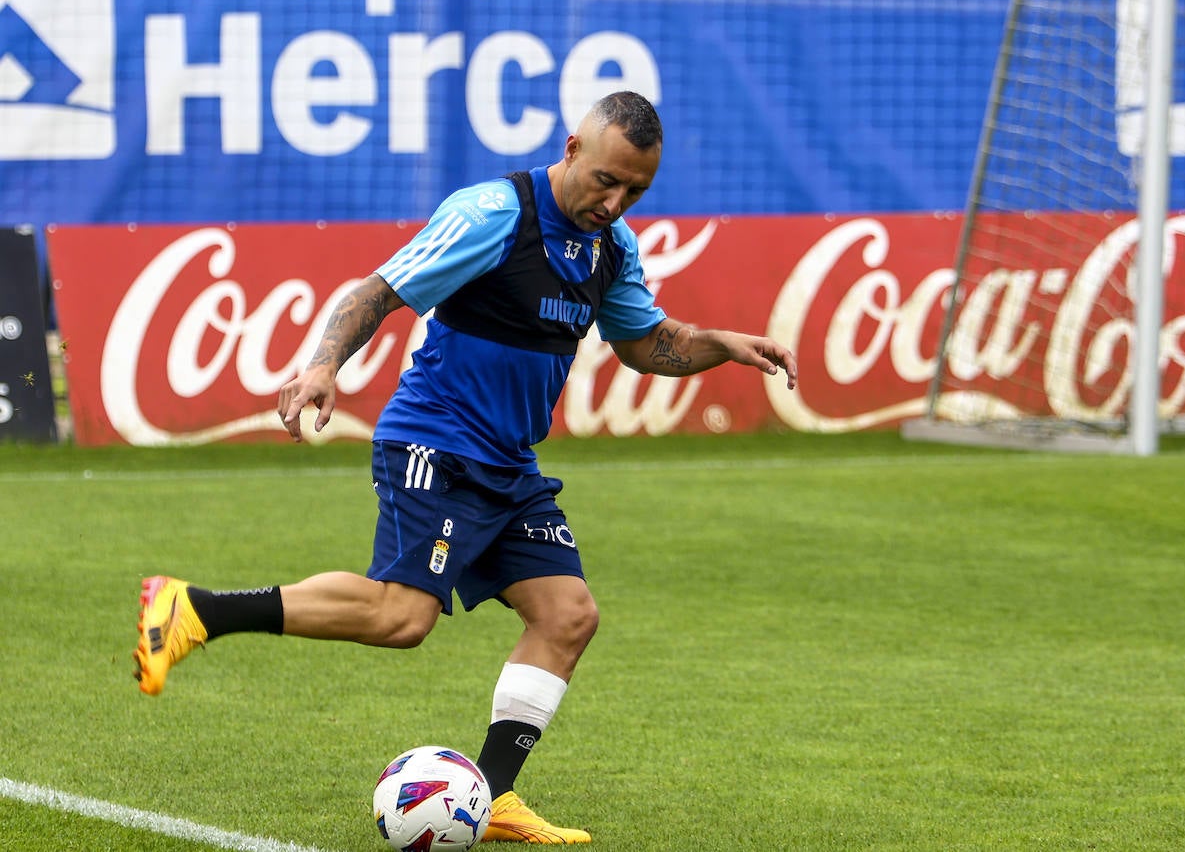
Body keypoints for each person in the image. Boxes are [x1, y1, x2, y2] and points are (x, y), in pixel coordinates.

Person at [133, 91, 798, 845]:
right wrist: (322, 366)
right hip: (437, 443)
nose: (615, 202)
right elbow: (376, 292)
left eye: (635, 191)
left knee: (568, 615)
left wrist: (724, 344)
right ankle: (194, 610)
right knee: (402, 617)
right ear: (572, 149)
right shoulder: (494, 214)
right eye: (606, 180)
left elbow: (647, 344)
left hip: (508, 463)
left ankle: (494, 794)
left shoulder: (612, 250)